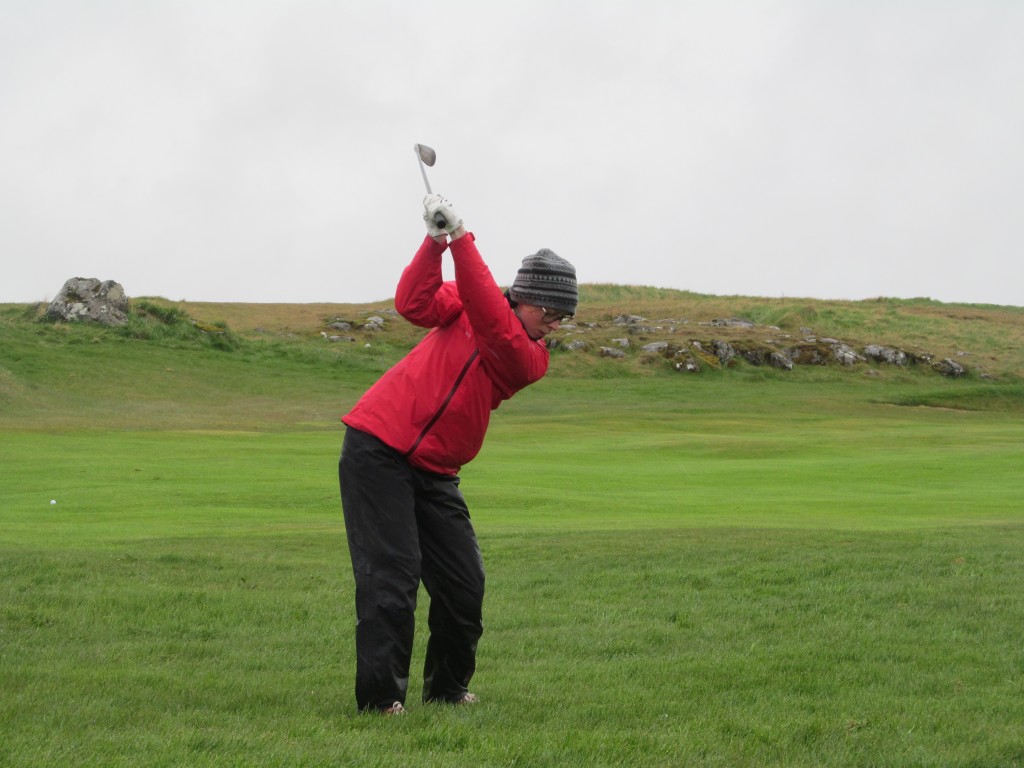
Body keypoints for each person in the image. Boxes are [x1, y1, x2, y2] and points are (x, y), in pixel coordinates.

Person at [338, 193, 577, 715]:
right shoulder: (473, 301)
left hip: (437, 470)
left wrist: (462, 239)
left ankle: (446, 689)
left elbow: (493, 323)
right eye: (551, 312)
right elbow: (413, 304)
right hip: (378, 448)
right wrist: (435, 244)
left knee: (464, 584)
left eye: (564, 318)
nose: (556, 325)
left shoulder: (530, 357)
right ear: (524, 297)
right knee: (393, 575)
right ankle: (381, 701)